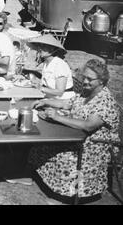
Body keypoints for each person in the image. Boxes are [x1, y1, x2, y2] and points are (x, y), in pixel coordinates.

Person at [29, 59, 120, 201]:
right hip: (78, 136)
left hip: (96, 146)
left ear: (102, 81)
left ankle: (69, 195)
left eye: (90, 79)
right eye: (84, 77)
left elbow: (88, 125)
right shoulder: (87, 92)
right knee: (43, 141)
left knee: (61, 152)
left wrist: (57, 117)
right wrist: (45, 101)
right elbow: (67, 103)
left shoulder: (104, 100)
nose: (85, 81)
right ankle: (51, 186)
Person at [27, 34, 75, 99]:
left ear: (52, 49)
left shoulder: (59, 64)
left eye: (44, 46)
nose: (40, 49)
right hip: (50, 97)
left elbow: (59, 91)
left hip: (63, 99)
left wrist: (40, 88)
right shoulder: (46, 63)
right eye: (39, 46)